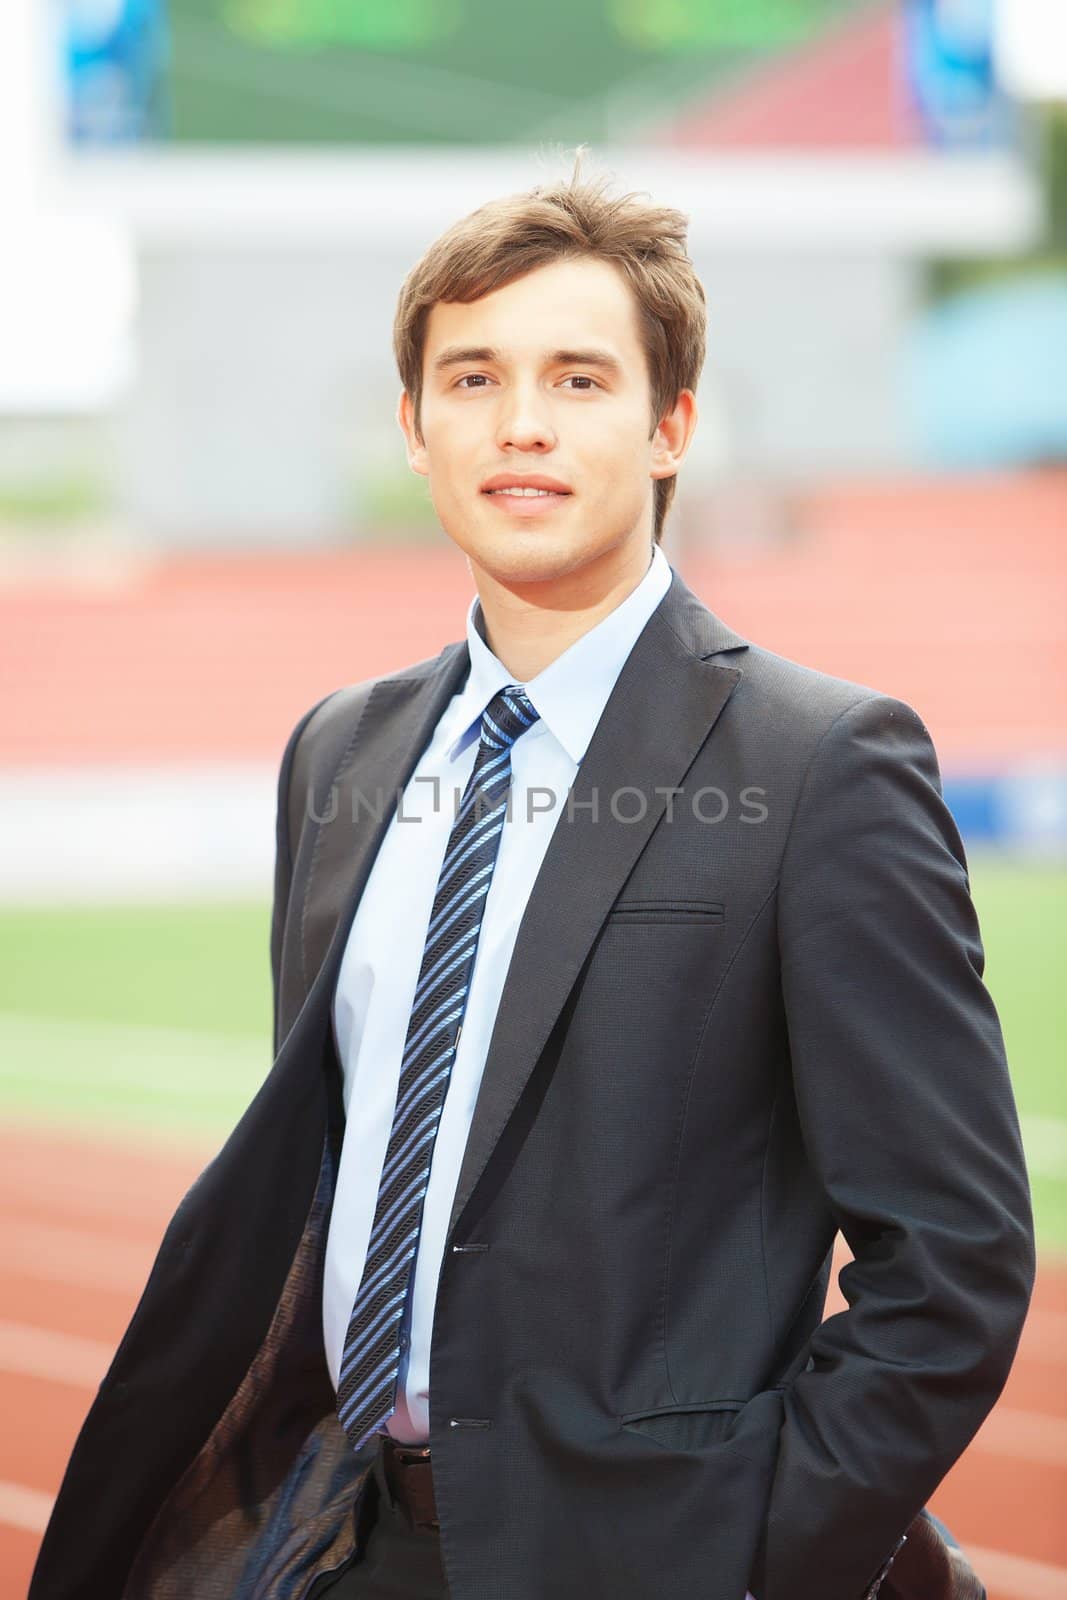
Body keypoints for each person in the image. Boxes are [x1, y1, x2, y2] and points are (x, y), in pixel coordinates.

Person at [31, 160, 1033, 1600]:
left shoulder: (822, 764)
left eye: (577, 380)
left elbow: (956, 1260)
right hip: (345, 1537)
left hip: (649, 1558)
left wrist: (760, 1552)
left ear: (671, 423)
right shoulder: (342, 752)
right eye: (472, 378)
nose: (520, 426)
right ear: (416, 426)